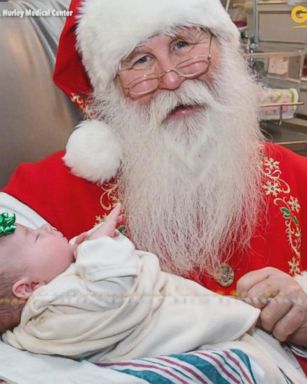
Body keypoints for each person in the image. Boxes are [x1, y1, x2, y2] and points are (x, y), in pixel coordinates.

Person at [1, 0, 307, 372]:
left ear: (225, 48)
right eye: (140, 60)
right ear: (109, 89)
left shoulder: (296, 176)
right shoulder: (38, 199)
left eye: (182, 45)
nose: (172, 78)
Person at [0, 210, 305, 383]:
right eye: (38, 235)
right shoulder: (54, 304)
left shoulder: (50, 298)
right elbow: (114, 288)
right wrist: (98, 246)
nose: (46, 226)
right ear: (28, 287)